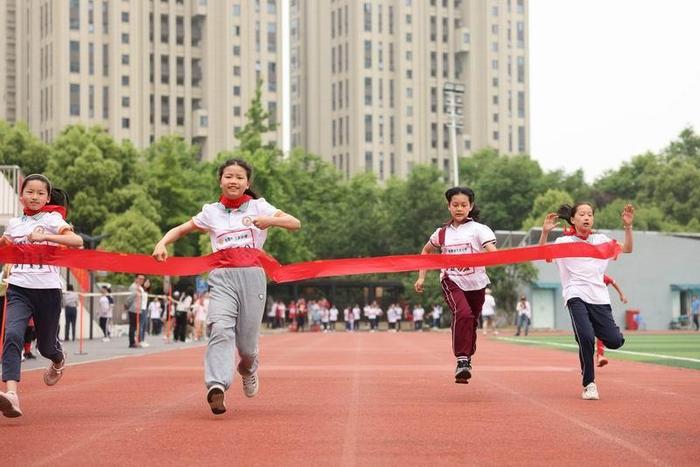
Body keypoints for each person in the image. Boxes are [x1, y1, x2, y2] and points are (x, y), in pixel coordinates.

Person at [152, 158, 300, 415]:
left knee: (247, 347)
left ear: (247, 183)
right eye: (228, 176)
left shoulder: (258, 206)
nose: (233, 181)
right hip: (222, 278)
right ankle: (217, 385)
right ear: (220, 180)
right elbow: (182, 229)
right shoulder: (211, 212)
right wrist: (162, 243)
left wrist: (270, 220)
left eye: (239, 177)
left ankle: (248, 368)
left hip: (253, 277)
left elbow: (294, 223)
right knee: (220, 328)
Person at [0, 174, 83, 418]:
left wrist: (46, 236)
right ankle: (12, 394)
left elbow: (76, 241)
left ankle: (58, 359)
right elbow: (4, 244)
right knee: (12, 335)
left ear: (47, 198)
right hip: (18, 289)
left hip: (47, 291)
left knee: (46, 346)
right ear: (21, 195)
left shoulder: (52, 219)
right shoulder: (14, 224)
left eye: (40, 193)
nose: (34, 197)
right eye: (30, 192)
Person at [540, 202, 634, 400]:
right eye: (582, 214)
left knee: (615, 341)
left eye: (590, 214)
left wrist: (627, 226)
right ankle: (589, 383)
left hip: (599, 297)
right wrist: (545, 233)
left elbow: (627, 249)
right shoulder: (563, 243)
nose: (586, 218)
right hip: (575, 294)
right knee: (585, 336)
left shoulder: (601, 240)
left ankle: (593, 331)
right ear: (573, 220)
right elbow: (543, 255)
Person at [414, 186, 497, 384]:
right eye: (455, 205)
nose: (459, 209)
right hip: (451, 280)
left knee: (472, 322)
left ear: (471, 206)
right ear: (448, 206)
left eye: (464, 205)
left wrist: (493, 255)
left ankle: (467, 357)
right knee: (463, 314)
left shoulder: (479, 229)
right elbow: (426, 252)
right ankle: (461, 360)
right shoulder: (441, 234)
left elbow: (492, 251)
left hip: (476, 282)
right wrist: (421, 277)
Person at [596, 274, 628, 367]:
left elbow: (613, 282)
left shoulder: (601, 276)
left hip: (600, 306)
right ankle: (597, 356)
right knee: (588, 333)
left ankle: (599, 356)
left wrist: (622, 295)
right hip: (586, 305)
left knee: (600, 332)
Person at [124, 275, 145, 348]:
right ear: (136, 279)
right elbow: (130, 297)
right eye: (140, 279)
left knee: (136, 326)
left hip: (138, 309)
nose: (141, 280)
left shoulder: (139, 287)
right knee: (133, 326)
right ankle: (132, 342)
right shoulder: (133, 287)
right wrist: (126, 305)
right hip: (133, 309)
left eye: (142, 279)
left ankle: (136, 341)